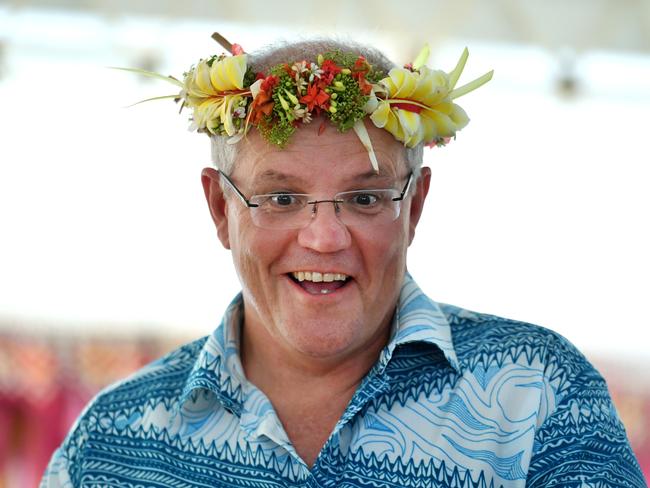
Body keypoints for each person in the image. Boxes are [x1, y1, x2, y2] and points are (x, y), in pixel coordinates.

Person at [41, 35, 645, 487]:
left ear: (415, 206)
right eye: (281, 198)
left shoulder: (537, 397)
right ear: (220, 209)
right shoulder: (110, 445)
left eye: (364, 197)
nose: (325, 238)